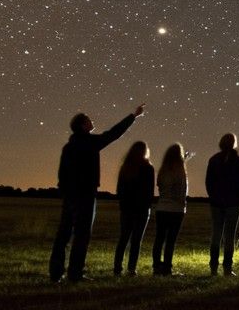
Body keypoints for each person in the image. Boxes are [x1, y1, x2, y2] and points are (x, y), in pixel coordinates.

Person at [49, 104, 144, 283]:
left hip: (70, 196)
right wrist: (133, 116)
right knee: (82, 235)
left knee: (63, 234)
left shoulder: (68, 147)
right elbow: (114, 133)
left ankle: (55, 272)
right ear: (83, 125)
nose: (92, 122)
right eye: (89, 120)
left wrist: (65, 191)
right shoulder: (90, 143)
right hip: (85, 195)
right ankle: (75, 273)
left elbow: (62, 173)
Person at [206, 132, 239, 276]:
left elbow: (208, 182)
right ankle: (227, 268)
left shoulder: (214, 160)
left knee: (216, 234)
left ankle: (213, 267)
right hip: (233, 203)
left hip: (217, 203)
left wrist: (213, 197)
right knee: (229, 236)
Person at [113, 141, 154, 276]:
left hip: (127, 208)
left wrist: (124, 204)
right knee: (136, 240)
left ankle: (117, 268)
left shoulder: (126, 167)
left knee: (123, 238)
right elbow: (149, 191)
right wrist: (147, 204)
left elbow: (119, 189)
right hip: (142, 209)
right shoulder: (148, 168)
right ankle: (131, 268)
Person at [151, 143, 189, 276]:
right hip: (176, 210)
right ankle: (167, 268)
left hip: (161, 207)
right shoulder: (180, 172)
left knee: (159, 238)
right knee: (170, 240)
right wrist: (183, 204)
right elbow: (181, 191)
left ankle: (156, 266)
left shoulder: (162, 170)